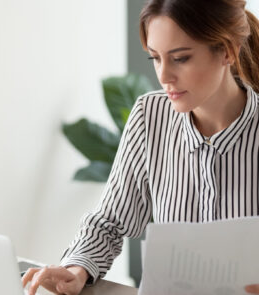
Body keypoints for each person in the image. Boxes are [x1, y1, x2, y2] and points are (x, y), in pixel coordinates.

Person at [22, 0, 259, 294]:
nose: (163, 76)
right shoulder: (150, 115)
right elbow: (110, 221)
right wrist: (77, 267)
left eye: (181, 58)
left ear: (227, 51)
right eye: (155, 58)